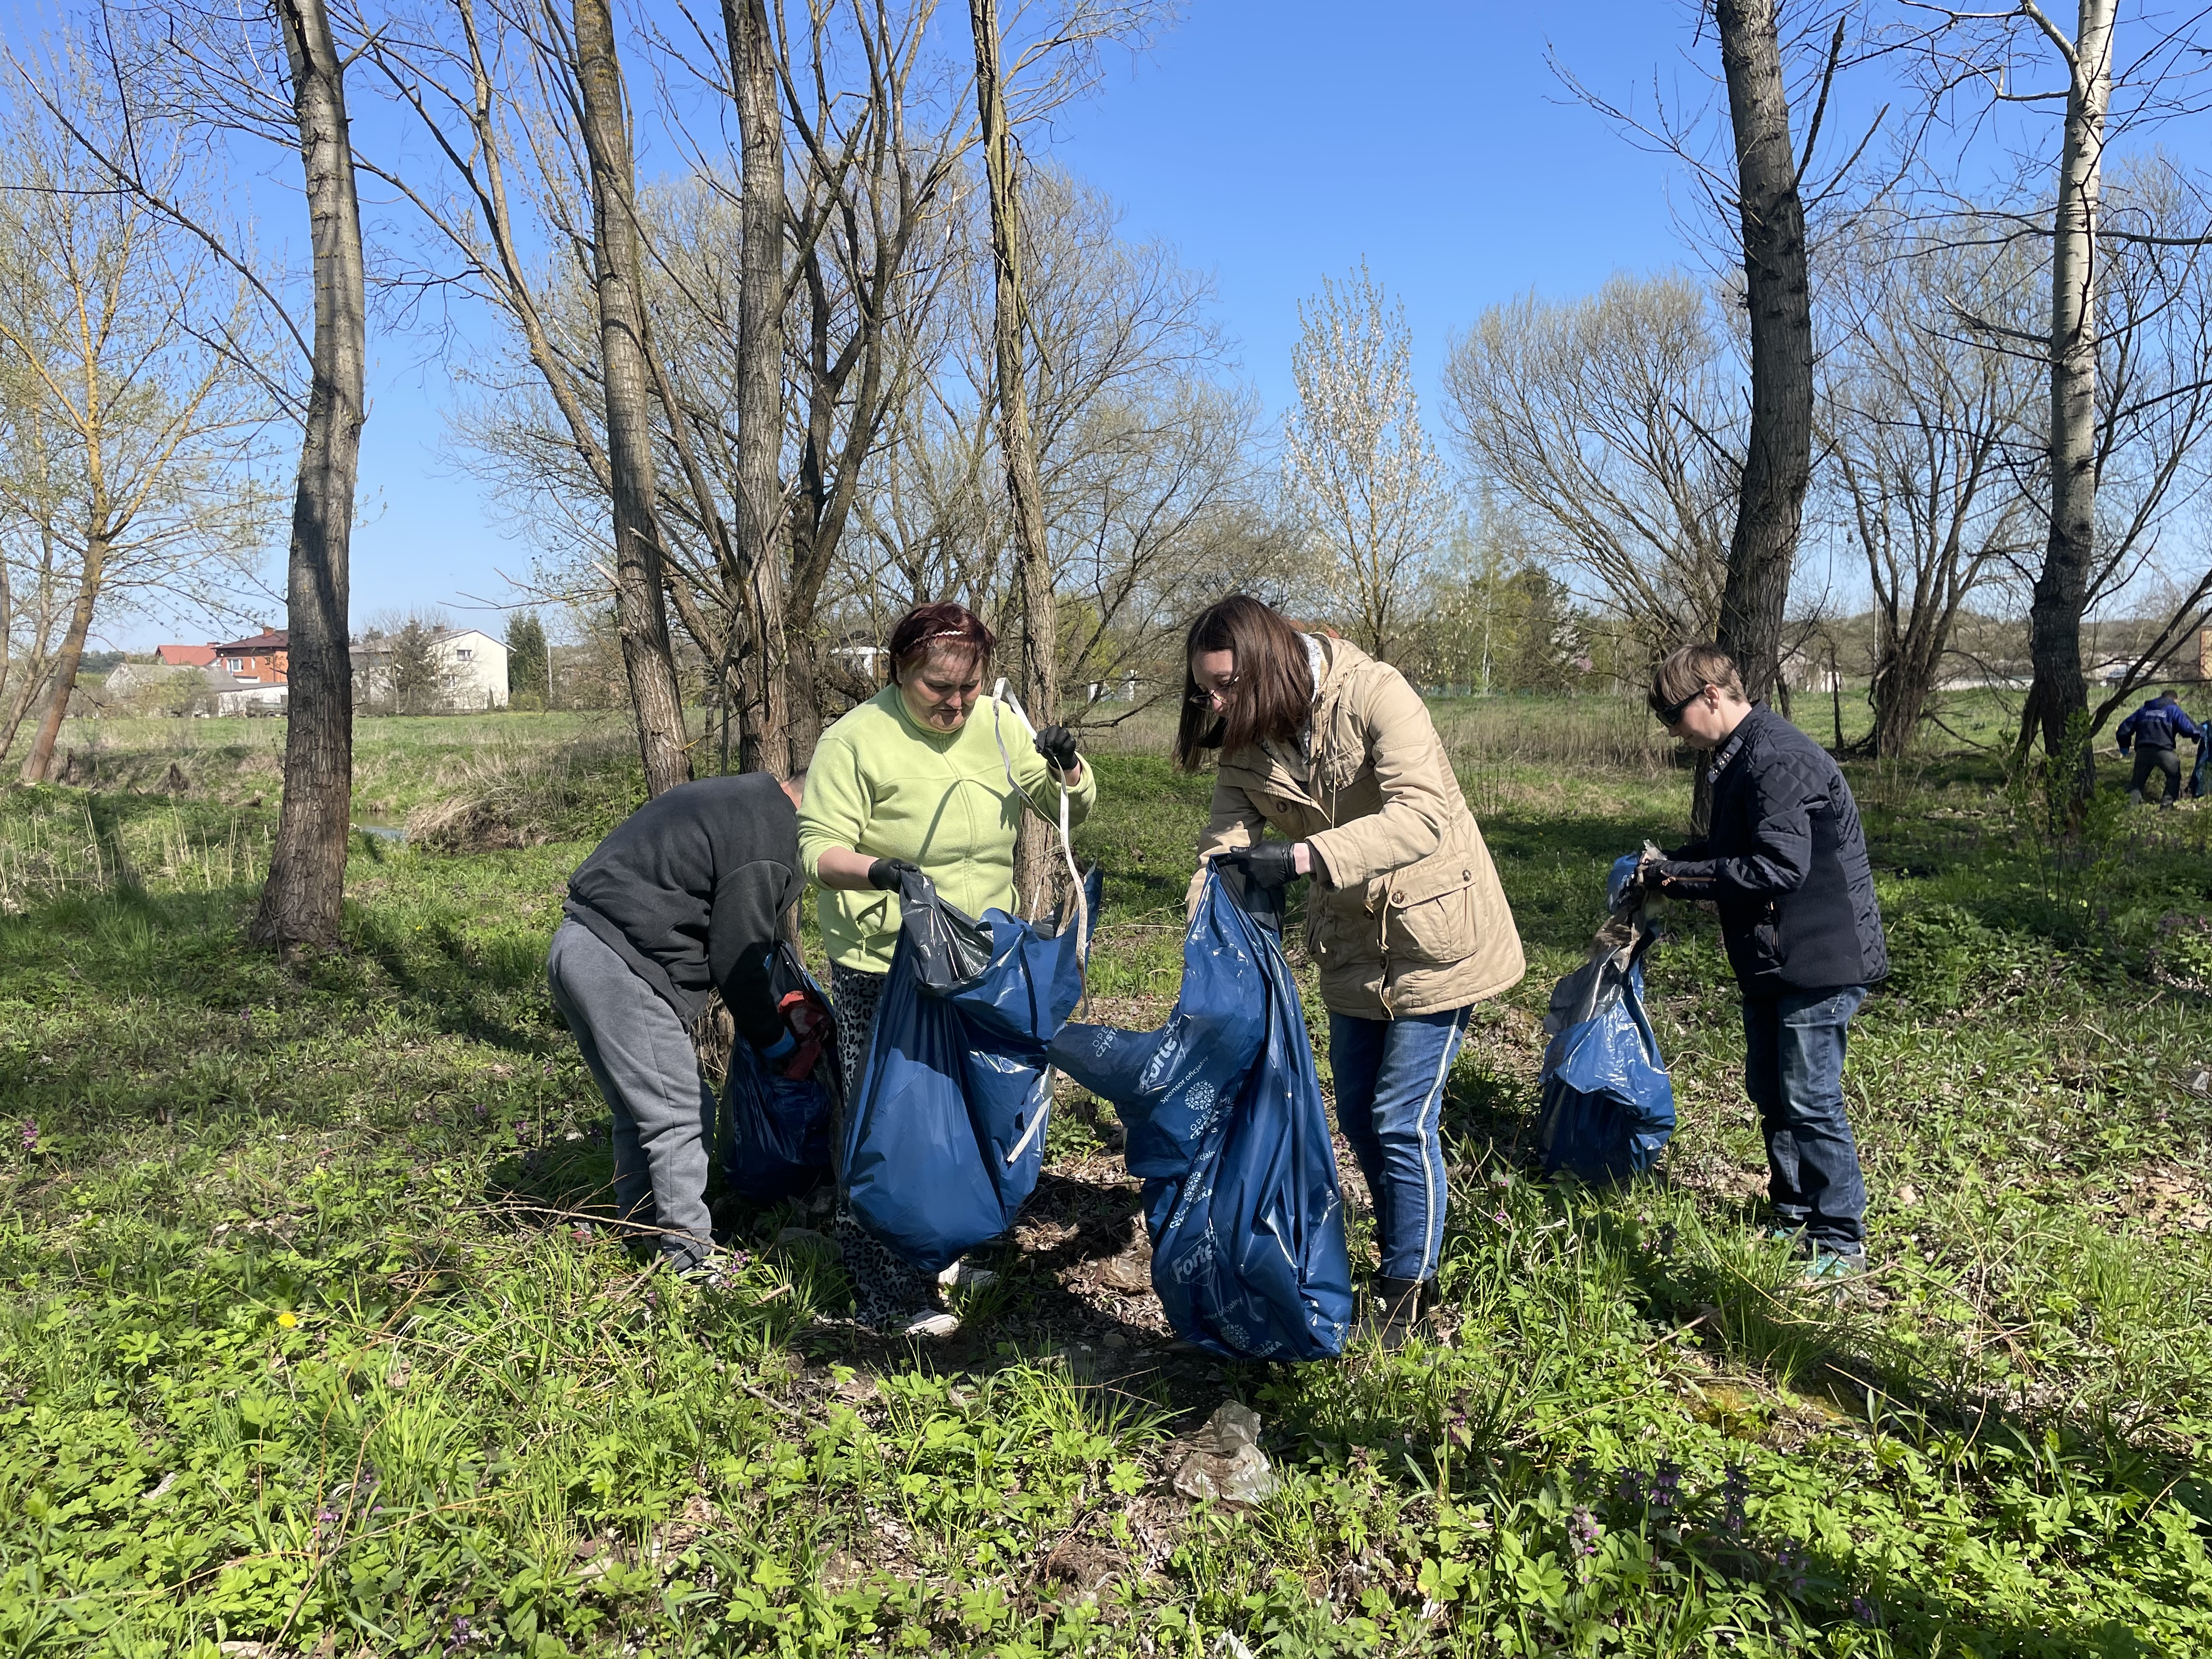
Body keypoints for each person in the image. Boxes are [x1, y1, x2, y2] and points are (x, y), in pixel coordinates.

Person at [1177, 595, 1525, 1350]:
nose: (1217, 701)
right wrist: (1205, 902)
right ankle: (1406, 1246)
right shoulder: (1245, 741)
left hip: (1438, 936)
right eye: (1206, 688)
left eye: (1228, 684)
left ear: (1268, 663)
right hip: (1351, 942)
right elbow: (1227, 835)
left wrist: (1301, 857)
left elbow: (1422, 815)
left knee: (1403, 1118)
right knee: (1362, 1114)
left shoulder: (1376, 693)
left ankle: (1407, 1293)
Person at [798, 600, 1094, 1335]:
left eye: (968, 687)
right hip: (885, 964)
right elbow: (818, 848)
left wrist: (1069, 766)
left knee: (973, 1114)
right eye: (938, 688)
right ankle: (888, 1295)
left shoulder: (997, 726)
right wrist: (883, 873)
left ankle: (951, 1246)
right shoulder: (856, 740)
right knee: (891, 1131)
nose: (956, 704)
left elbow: (1066, 807)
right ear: (899, 672)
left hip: (978, 961)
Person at [1639, 644, 1888, 1283]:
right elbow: (1736, 850)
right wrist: (1669, 864)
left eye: (1674, 716)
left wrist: (1680, 880)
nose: (1674, 732)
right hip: (1775, 959)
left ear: (1711, 696)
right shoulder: (1740, 757)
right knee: (1772, 1092)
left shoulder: (1776, 757)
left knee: (1809, 1098)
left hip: (1818, 958)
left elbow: (1778, 866)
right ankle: (1794, 1211)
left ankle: (1839, 1238)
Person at [548, 770, 822, 1273]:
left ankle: (640, 1231)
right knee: (681, 1112)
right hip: (621, 962)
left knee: (641, 1110)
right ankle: (688, 1260)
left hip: (577, 943)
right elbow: (737, 957)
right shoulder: (771, 833)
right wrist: (774, 1040)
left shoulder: (743, 796)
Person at [2117, 688, 2203, 808]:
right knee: (2173, 776)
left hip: (2143, 751)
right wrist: (2198, 734)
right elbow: (2188, 729)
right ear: (2174, 699)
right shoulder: (2173, 709)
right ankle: (2166, 806)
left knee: (2137, 782)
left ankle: (2130, 808)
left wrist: (2124, 745)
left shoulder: (2144, 710)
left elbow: (2123, 729)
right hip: (2164, 751)